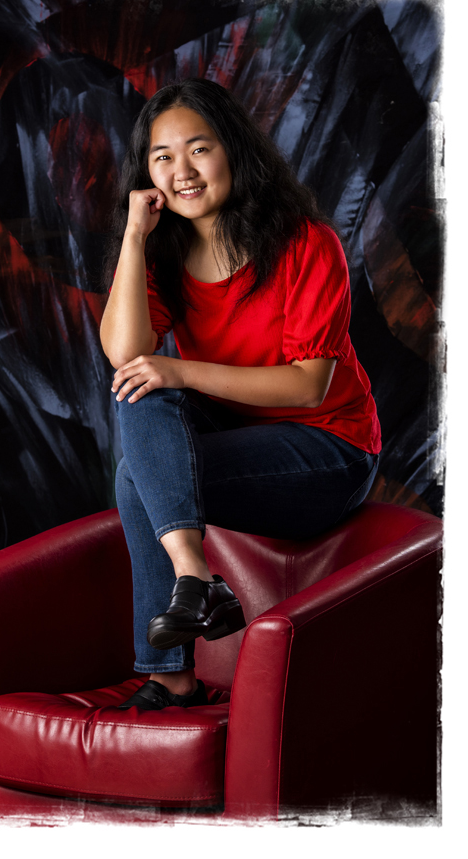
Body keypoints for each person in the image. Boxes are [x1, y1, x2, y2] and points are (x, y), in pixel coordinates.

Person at [100, 78, 381, 711]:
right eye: (162, 158)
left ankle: (172, 664)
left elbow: (311, 387)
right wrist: (134, 236)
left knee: (138, 463)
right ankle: (195, 587)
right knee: (138, 393)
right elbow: (123, 354)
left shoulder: (306, 243)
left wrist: (184, 372)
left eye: (198, 149)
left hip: (329, 451)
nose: (182, 171)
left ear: (233, 150)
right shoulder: (166, 252)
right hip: (236, 435)